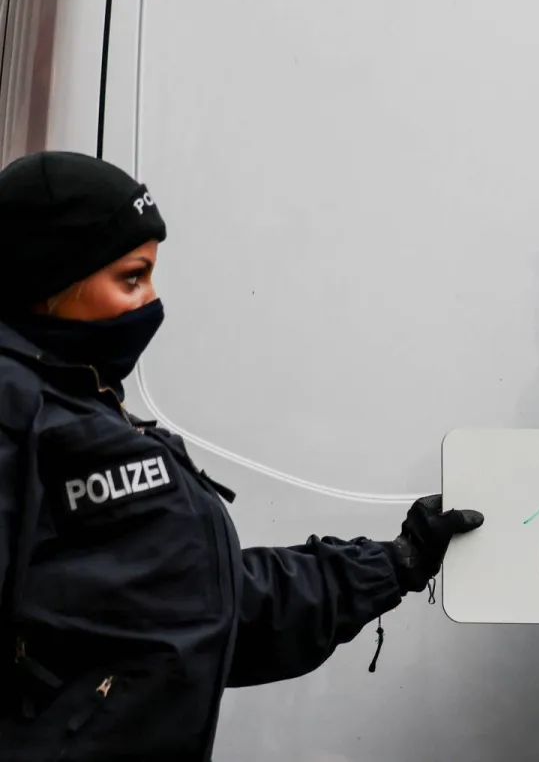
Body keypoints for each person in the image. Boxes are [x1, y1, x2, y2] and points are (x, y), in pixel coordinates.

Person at [0, 151, 484, 761]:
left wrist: (395, 563)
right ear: (51, 283)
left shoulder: (85, 405)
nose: (152, 302)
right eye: (131, 278)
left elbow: (209, 609)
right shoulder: (17, 417)